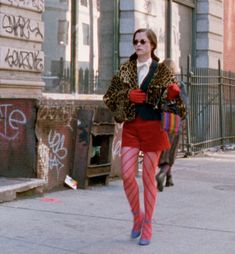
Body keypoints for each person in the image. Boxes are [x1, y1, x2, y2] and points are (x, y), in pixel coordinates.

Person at [103, 28, 186, 246]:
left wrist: (171, 95)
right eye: (135, 42)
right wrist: (127, 95)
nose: (138, 45)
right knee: (127, 174)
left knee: (149, 178)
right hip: (131, 127)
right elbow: (109, 97)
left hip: (153, 128)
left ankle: (147, 224)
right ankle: (137, 216)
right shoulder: (126, 69)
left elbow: (177, 103)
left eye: (143, 41)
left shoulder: (162, 71)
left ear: (152, 45)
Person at [156, 59, 188, 192]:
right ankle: (162, 173)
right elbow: (185, 105)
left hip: (161, 122)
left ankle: (169, 178)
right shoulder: (180, 85)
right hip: (175, 123)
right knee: (171, 153)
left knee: (164, 152)